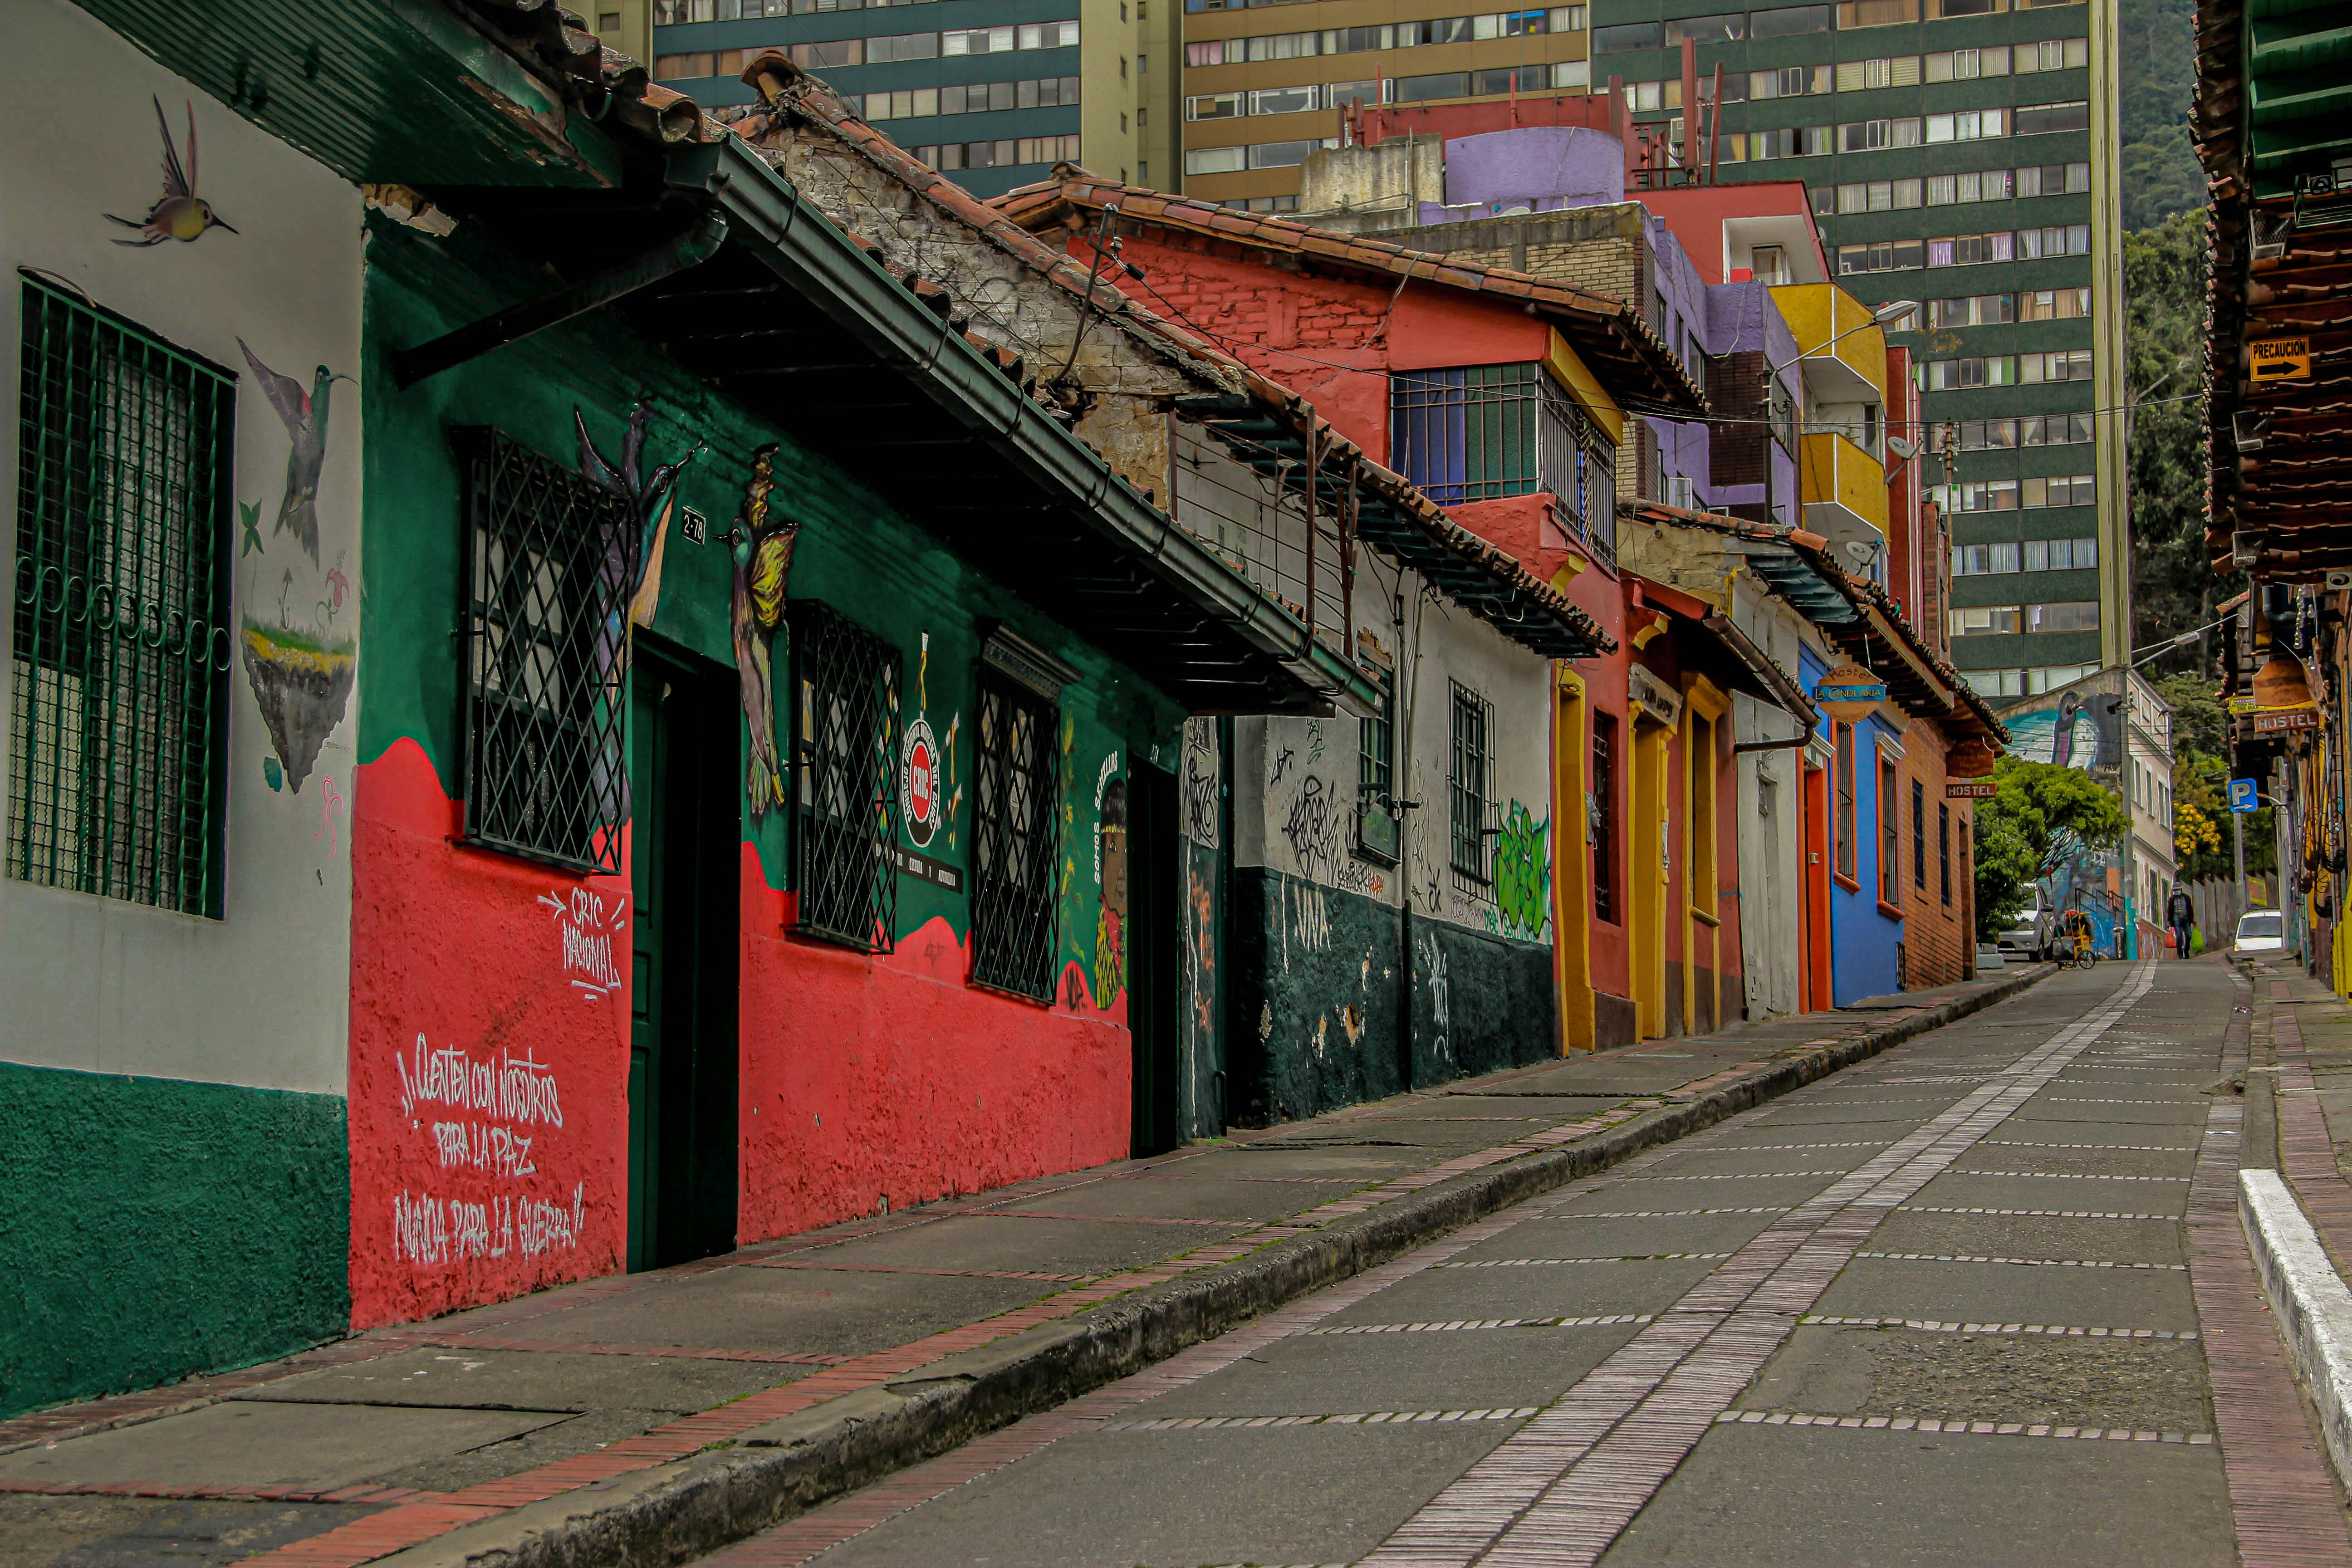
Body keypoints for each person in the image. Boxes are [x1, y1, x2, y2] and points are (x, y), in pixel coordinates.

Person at [2166, 884, 2195, 958]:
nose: (2176, 892)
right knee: (2179, 936)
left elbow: (2190, 909)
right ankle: (2180, 954)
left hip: (2186, 919)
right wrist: (2169, 922)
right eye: (2175, 890)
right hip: (2177, 920)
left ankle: (2186, 950)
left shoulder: (2186, 898)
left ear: (2181, 890)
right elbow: (2170, 911)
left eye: (2177, 890)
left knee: (2189, 935)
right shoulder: (2172, 900)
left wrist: (2192, 920)